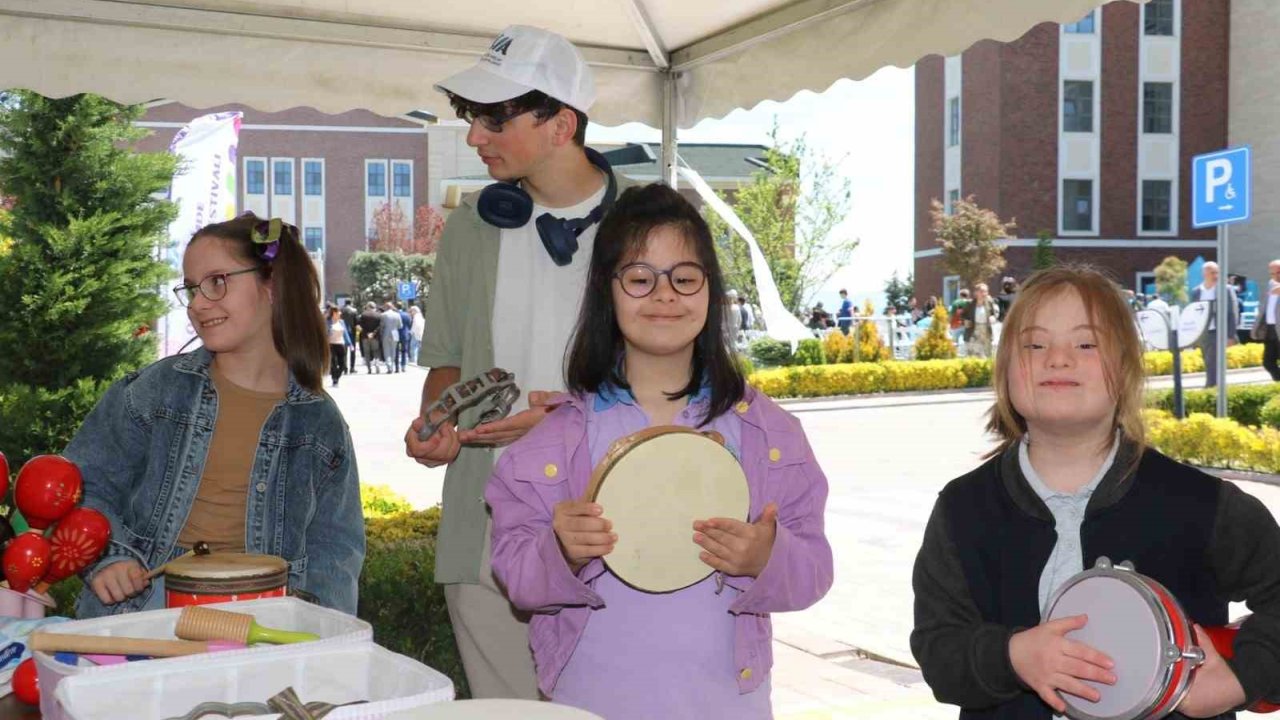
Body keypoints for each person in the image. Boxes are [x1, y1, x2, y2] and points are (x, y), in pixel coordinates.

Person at [486, 183, 833, 718]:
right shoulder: (555, 440)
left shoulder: (769, 433)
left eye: (685, 278)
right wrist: (560, 550)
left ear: (710, 291)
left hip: (728, 705)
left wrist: (767, 556)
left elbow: (813, 570)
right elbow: (516, 577)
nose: (665, 295)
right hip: (591, 702)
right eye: (641, 278)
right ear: (607, 290)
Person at [911, 265, 1280, 719]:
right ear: (1006, 369)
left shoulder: (1202, 504)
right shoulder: (962, 509)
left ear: (1125, 368)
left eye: (1085, 344)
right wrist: (1011, 656)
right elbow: (938, 649)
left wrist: (1243, 678)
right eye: (1034, 344)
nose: (1058, 358)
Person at [403, 25, 637, 699]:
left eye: (494, 117)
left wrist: (561, 425)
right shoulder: (471, 227)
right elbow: (445, 358)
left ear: (562, 123)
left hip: (614, 526)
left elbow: (693, 389)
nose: (476, 136)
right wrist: (436, 421)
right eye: (471, 117)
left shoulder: (651, 224)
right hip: (485, 532)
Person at [65, 213, 364, 617]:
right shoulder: (156, 391)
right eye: (191, 289)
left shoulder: (320, 423)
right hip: (141, 618)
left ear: (272, 283)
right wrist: (110, 557)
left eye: (217, 282)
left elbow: (336, 548)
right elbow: (82, 486)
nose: (198, 304)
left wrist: (321, 629)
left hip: (260, 625)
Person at [1192, 261, 1239, 388]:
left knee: (1212, 360)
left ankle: (1210, 386)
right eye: (1212, 272)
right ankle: (1215, 386)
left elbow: (1233, 312)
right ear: (1204, 274)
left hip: (1219, 331)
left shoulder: (1226, 289)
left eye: (1217, 272)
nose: (1215, 275)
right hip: (1203, 332)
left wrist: (1230, 335)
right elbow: (1193, 313)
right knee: (1207, 360)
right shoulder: (1196, 291)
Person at [964, 283, 999, 359]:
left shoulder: (989, 302)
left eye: (986, 291)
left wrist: (993, 317)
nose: (984, 293)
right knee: (974, 353)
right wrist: (965, 321)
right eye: (982, 291)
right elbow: (964, 315)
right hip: (974, 329)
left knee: (987, 353)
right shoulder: (970, 304)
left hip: (985, 329)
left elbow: (995, 314)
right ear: (976, 293)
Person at [1261, 259, 1280, 381]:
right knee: (1268, 362)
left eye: (1278, 272)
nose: (1276, 276)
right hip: (1271, 330)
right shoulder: (1271, 284)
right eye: (1273, 273)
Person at [326, 305, 353, 387]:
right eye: (338, 312)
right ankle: (334, 379)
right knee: (333, 363)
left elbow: (345, 334)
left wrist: (350, 344)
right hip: (331, 344)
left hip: (341, 344)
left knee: (342, 364)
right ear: (334, 313)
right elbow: (324, 334)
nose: (340, 313)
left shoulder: (341, 322)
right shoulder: (328, 322)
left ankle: (337, 376)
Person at [357, 302, 383, 374]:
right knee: (376, 351)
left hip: (365, 337)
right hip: (375, 337)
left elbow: (359, 326)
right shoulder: (379, 315)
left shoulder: (363, 315)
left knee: (367, 353)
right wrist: (373, 333)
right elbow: (380, 326)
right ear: (374, 307)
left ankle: (369, 369)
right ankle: (377, 365)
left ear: (368, 307)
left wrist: (367, 333)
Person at [379, 302, 403, 374]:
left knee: (387, 351)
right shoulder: (397, 314)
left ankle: (389, 367)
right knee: (393, 351)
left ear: (386, 307)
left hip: (386, 333)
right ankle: (392, 365)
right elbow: (400, 326)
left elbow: (381, 325)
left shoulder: (383, 315)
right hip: (395, 333)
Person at [341, 299, 359, 373]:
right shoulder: (354, 310)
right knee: (352, 350)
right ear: (351, 303)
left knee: (344, 351)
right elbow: (356, 322)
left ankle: (344, 368)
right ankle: (352, 367)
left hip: (343, 332)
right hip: (352, 332)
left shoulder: (341, 310)